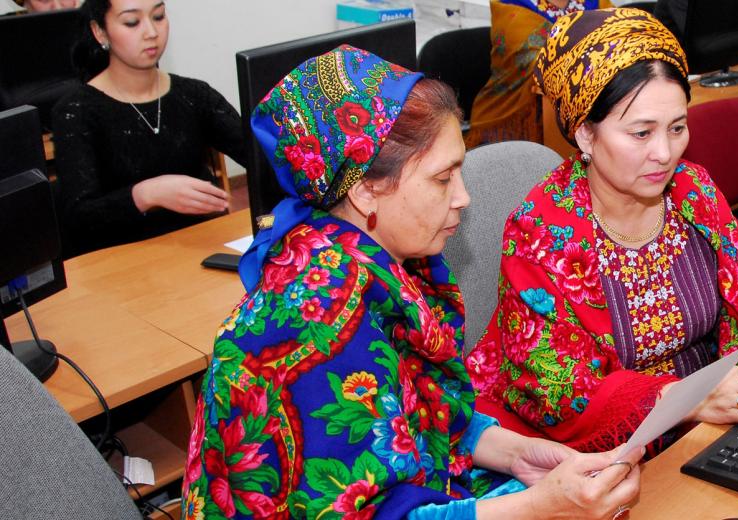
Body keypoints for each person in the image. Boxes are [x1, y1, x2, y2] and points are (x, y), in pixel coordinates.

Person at [182, 45, 642, 519]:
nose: (463, 197)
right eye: (443, 179)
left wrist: (516, 453)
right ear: (364, 190)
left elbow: (421, 416)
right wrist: (543, 507)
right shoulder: (318, 320)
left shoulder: (385, 257)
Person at [466, 7, 738, 455]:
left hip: (710, 416)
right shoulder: (541, 229)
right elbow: (558, 393)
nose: (665, 152)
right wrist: (686, 398)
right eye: (641, 133)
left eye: (677, 127)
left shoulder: (690, 188)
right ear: (584, 135)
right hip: (608, 448)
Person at [52, 0, 247, 256]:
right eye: (132, 22)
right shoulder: (76, 111)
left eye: (158, 16)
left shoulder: (194, 94)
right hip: (122, 262)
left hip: (200, 248)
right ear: (100, 31)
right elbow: (79, 216)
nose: (151, 32)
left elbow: (258, 153)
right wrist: (145, 194)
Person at [464, 0, 611, 148]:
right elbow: (539, 62)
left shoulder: (596, 3)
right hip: (509, 127)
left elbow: (623, 41)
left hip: (587, 120)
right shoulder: (510, 5)